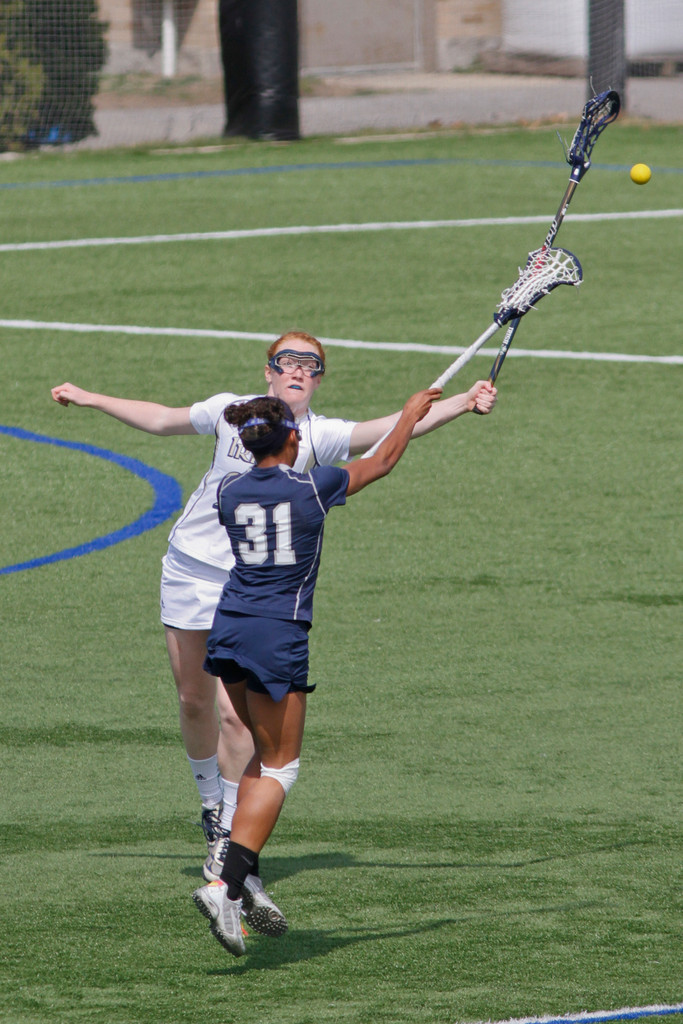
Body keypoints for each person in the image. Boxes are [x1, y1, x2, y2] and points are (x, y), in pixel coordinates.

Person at [51, 329, 497, 933]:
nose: (299, 369)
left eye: (312, 364)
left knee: (236, 719)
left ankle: (230, 845)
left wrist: (461, 401)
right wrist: (91, 397)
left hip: (244, 588)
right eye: (287, 360)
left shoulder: (314, 437)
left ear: (318, 379)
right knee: (193, 699)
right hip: (200, 575)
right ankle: (214, 809)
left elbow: (391, 427)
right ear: (268, 372)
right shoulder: (237, 417)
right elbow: (162, 419)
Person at [192, 388, 440, 956]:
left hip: (229, 626)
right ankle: (226, 887)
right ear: (290, 439)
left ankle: (236, 876)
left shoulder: (228, 491)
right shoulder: (313, 486)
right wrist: (407, 416)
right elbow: (381, 461)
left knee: (260, 755)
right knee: (282, 766)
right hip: (277, 635)